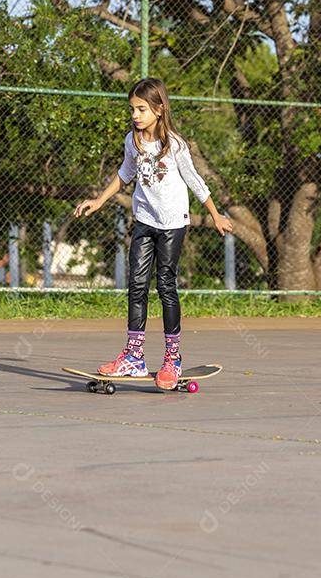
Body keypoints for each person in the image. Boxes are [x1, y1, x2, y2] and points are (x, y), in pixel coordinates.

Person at [73, 78, 233, 389]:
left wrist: (215, 215)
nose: (135, 114)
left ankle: (173, 359)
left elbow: (195, 181)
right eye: (132, 109)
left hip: (172, 223)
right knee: (136, 284)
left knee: (166, 286)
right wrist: (98, 201)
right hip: (144, 220)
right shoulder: (132, 142)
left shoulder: (174, 145)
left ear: (159, 109)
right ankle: (134, 357)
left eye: (142, 109)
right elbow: (124, 174)